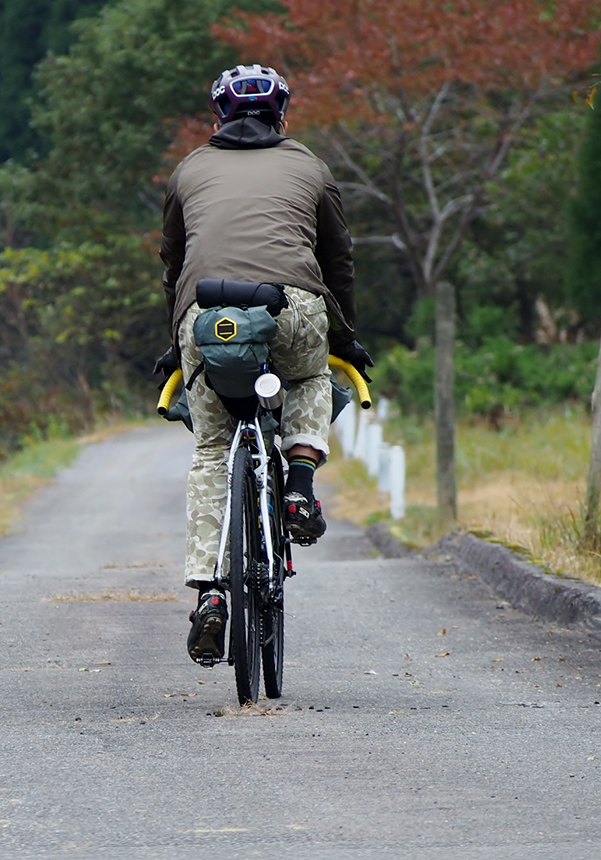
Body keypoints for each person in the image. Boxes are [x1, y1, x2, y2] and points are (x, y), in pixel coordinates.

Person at [158, 65, 372, 664]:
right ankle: (299, 488)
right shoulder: (310, 167)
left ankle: (211, 596)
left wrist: (178, 342)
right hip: (293, 309)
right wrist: (346, 338)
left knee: (210, 449)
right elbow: (339, 259)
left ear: (217, 117)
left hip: (206, 316)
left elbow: (173, 264)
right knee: (309, 374)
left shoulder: (188, 171)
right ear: (283, 114)